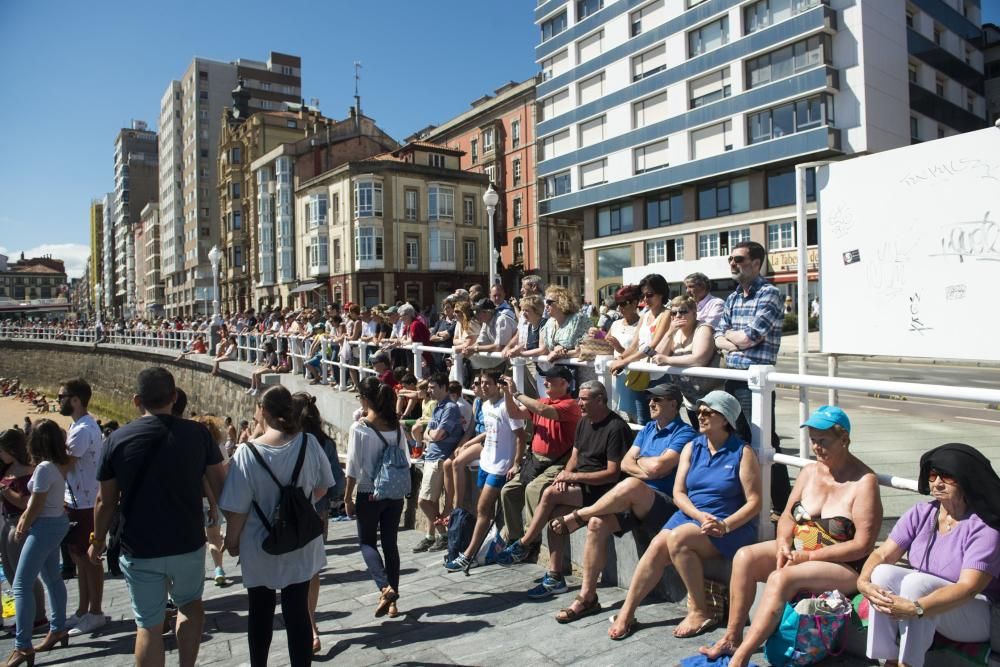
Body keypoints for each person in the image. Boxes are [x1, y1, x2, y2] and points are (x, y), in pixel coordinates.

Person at [701, 406, 882, 666]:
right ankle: (732, 637)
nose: (817, 448)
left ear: (844, 439)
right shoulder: (810, 472)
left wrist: (808, 556)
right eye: (813, 440)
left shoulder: (864, 482)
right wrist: (784, 543)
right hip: (798, 549)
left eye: (823, 441)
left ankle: (740, 657)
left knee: (781, 577)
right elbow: (787, 514)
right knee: (744, 557)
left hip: (841, 565)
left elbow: (862, 545)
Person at [89, 367, 226, 667]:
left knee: (148, 624)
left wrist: (97, 540)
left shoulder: (116, 440)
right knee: (190, 605)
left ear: (137, 400)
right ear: (174, 397)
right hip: (187, 541)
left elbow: (105, 501)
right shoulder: (198, 433)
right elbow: (220, 483)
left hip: (140, 547)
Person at [609, 390, 761, 640]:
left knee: (677, 539)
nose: (699, 416)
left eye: (707, 412)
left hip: (727, 521)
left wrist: (725, 524)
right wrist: (699, 516)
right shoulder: (693, 447)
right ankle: (627, 611)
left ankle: (700, 611)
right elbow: (679, 493)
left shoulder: (742, 453)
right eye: (698, 411)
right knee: (658, 544)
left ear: (725, 419)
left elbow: (755, 502)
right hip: (693, 515)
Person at [549, 384, 696, 623]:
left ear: (673, 404)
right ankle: (587, 597)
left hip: (665, 504)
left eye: (657, 400)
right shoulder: (648, 428)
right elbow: (627, 464)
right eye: (649, 399)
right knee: (597, 523)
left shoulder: (684, 433)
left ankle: (579, 516)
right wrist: (647, 466)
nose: (650, 404)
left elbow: (660, 467)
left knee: (631, 485)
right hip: (635, 499)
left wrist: (643, 463)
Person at [220, 386, 333, 667]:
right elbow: (322, 487)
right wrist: (297, 503)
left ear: (264, 411)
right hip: (300, 539)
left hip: (260, 543)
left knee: (260, 612)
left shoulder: (247, 453)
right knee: (297, 611)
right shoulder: (308, 443)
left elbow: (236, 509)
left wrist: (232, 542)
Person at [859, 443, 1000, 667]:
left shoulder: (984, 528)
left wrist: (916, 608)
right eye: (933, 476)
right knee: (882, 574)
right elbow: (884, 554)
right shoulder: (921, 512)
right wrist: (863, 581)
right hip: (931, 607)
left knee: (917, 582)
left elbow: (968, 588)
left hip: (978, 615)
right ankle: (888, 658)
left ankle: (909, 664)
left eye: (947, 476)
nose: (937, 483)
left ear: (966, 479)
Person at [497, 380, 632, 600]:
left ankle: (524, 543)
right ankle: (555, 576)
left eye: (584, 399)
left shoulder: (616, 427)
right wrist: (563, 476)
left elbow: (612, 474)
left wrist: (572, 476)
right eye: (579, 398)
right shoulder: (583, 422)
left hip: (605, 489)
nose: (580, 403)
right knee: (555, 522)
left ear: (600, 400)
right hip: (581, 484)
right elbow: (575, 457)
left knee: (550, 493)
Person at [713, 240, 791, 510]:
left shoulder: (769, 293)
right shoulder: (733, 297)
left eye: (739, 259)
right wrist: (736, 340)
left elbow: (751, 336)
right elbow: (717, 337)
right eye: (731, 259)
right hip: (733, 376)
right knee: (738, 438)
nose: (733, 264)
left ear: (757, 263)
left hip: (755, 378)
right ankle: (751, 501)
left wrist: (733, 340)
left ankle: (781, 506)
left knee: (764, 441)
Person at [444, 371, 526, 572]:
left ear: (497, 385)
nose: (484, 386)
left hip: (501, 466)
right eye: (481, 383)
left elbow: (520, 436)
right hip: (486, 462)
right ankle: (490, 546)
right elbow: (488, 432)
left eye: (488, 383)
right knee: (484, 510)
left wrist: (516, 463)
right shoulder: (485, 405)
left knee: (481, 509)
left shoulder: (507, 407)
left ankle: (468, 554)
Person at [7, 420, 71, 666]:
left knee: (22, 585)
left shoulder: (44, 467)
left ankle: (23, 646)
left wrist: (22, 526)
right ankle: (58, 628)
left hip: (44, 526)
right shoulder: (56, 464)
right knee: (52, 577)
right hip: (56, 524)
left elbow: (35, 504)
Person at [498, 365, 582, 554]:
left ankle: (529, 541)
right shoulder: (541, 401)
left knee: (533, 489)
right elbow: (514, 413)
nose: (545, 383)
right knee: (508, 491)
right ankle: (514, 537)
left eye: (550, 380)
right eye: (545, 379)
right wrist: (507, 394)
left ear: (564, 383)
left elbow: (544, 411)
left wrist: (517, 393)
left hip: (558, 462)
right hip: (535, 460)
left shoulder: (570, 405)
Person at [344, 377, 409, 618]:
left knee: (367, 542)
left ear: (365, 399)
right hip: (394, 492)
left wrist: (347, 497)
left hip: (369, 492)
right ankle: (393, 603)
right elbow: (404, 457)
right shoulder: (396, 426)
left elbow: (352, 467)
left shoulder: (359, 428)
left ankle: (385, 587)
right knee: (390, 544)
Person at [293, 392, 345, 653]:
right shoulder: (325, 442)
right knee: (311, 571)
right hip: (318, 513)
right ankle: (311, 626)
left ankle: (308, 626)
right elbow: (336, 483)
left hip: (290, 514)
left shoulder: (288, 441)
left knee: (294, 572)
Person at [58, 378, 107, 637]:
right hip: (79, 501)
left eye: (62, 396)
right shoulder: (80, 426)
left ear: (75, 399)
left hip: (84, 503)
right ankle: (83, 609)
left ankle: (95, 611)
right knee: (80, 559)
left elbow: (64, 464)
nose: (59, 401)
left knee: (90, 560)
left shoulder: (82, 430)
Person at [608, 273, 673, 425]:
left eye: (649, 295)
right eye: (643, 296)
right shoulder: (645, 315)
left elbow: (652, 346)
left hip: (658, 375)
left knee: (662, 420)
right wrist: (621, 357)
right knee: (642, 420)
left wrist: (623, 362)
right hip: (641, 373)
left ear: (661, 293)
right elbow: (635, 345)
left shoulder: (667, 314)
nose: (645, 300)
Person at [0, 429, 47, 632]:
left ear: (10, 449)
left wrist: (4, 491)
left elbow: (26, 503)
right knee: (11, 572)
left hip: (19, 524)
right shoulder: (8, 469)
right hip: (7, 523)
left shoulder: (26, 470)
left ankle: (38, 616)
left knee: (25, 574)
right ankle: (28, 615)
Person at [650, 295, 723, 425]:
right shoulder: (675, 333)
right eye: (673, 313)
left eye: (683, 311)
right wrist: (669, 332)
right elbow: (657, 356)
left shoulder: (703, 329)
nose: (678, 316)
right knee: (698, 433)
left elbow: (699, 359)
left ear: (694, 312)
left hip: (712, 399)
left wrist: (667, 359)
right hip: (689, 399)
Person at [413, 373, 465, 552]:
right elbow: (428, 432)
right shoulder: (437, 406)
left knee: (423, 501)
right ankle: (432, 536)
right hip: (430, 456)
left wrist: (429, 435)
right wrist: (429, 435)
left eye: (433, 387)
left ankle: (443, 535)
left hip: (438, 459)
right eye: (428, 387)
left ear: (444, 388)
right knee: (432, 501)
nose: (429, 391)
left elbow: (436, 435)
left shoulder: (450, 408)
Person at [604, 285, 642, 422]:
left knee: (636, 417)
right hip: (616, 374)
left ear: (635, 303)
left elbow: (640, 352)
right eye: (617, 304)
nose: (619, 308)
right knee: (619, 415)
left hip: (635, 376)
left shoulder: (642, 324)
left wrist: (619, 349)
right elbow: (605, 345)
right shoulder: (616, 324)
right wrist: (595, 335)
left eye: (623, 303)